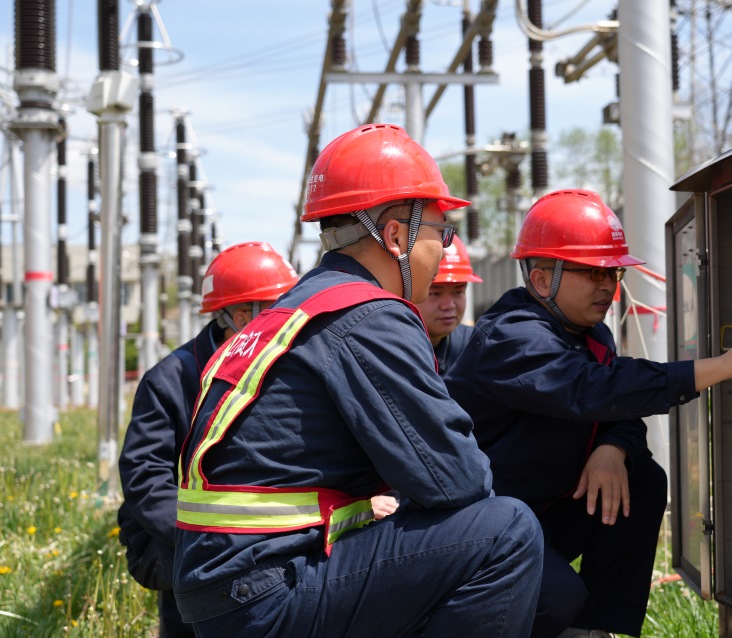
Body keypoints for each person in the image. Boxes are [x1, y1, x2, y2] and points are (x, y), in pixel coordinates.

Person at [172, 123, 544, 638]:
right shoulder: (368, 314)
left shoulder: (290, 313)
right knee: (508, 531)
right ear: (396, 236)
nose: (443, 251)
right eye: (442, 232)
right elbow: (457, 479)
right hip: (265, 595)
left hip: (225, 588)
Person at [443, 189, 732, 638]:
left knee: (643, 480)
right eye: (592, 272)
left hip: (537, 514)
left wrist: (612, 447)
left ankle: (594, 631)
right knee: (556, 597)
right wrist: (722, 366)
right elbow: (593, 389)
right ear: (543, 279)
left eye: (613, 272)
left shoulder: (590, 333)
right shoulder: (512, 338)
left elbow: (617, 405)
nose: (608, 286)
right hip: (482, 526)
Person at [117, 241, 299, 638]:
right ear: (237, 316)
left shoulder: (280, 371)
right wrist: (213, 535)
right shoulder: (172, 380)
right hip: (180, 542)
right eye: (275, 313)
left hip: (258, 539)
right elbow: (146, 480)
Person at [415, 234, 482, 375]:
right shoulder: (395, 349)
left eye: (458, 292)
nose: (449, 305)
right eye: (435, 293)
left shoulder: (474, 344)